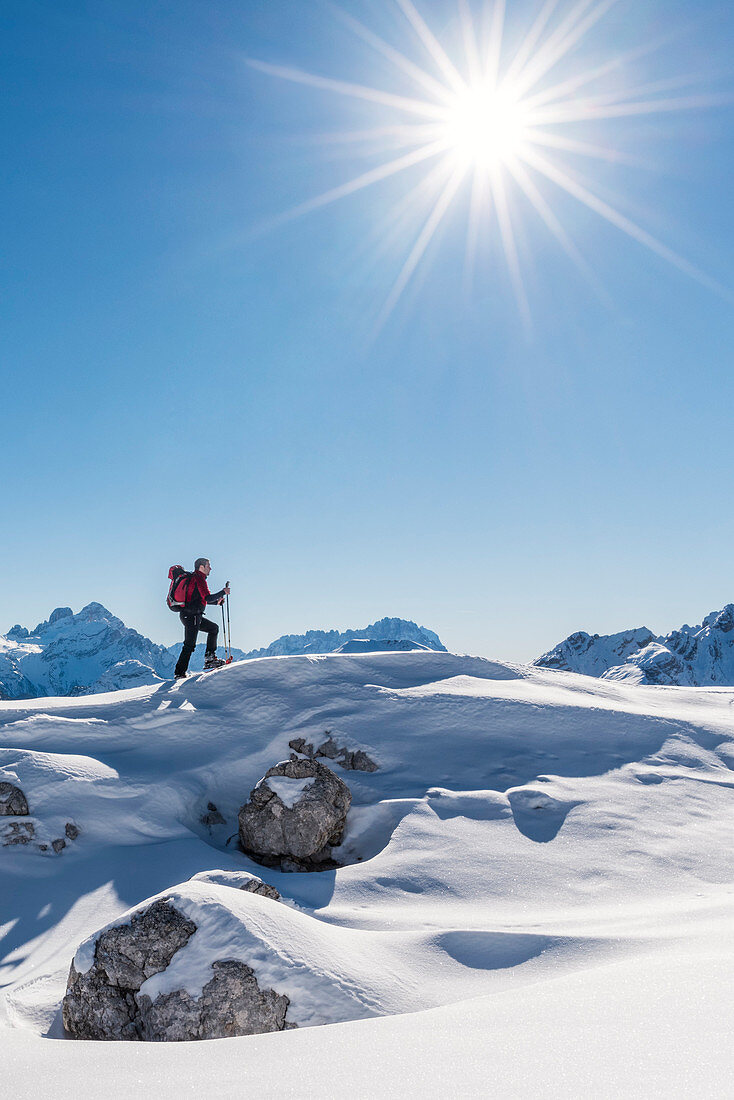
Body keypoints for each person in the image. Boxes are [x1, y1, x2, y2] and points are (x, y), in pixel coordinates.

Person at [174, 558, 231, 679]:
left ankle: (210, 658)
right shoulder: (198, 579)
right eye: (208, 566)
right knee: (189, 645)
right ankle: (179, 673)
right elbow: (208, 597)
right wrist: (223, 592)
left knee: (213, 628)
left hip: (192, 616)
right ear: (201, 567)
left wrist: (217, 603)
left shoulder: (197, 578)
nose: (210, 568)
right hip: (192, 616)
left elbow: (202, 599)